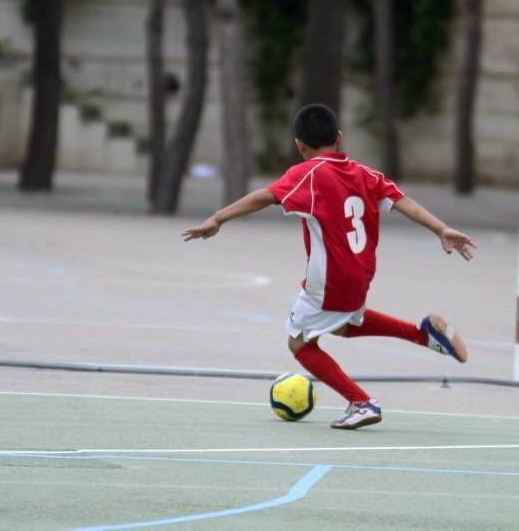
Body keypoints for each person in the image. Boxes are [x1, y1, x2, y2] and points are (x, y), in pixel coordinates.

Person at [183, 103, 476, 430]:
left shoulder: (306, 174)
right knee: (340, 324)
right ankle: (422, 334)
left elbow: (264, 196)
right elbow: (402, 201)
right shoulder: (367, 174)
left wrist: (218, 218)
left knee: (298, 340)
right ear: (339, 138)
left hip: (331, 279)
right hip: (361, 274)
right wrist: (441, 229)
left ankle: (361, 402)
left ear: (299, 145)